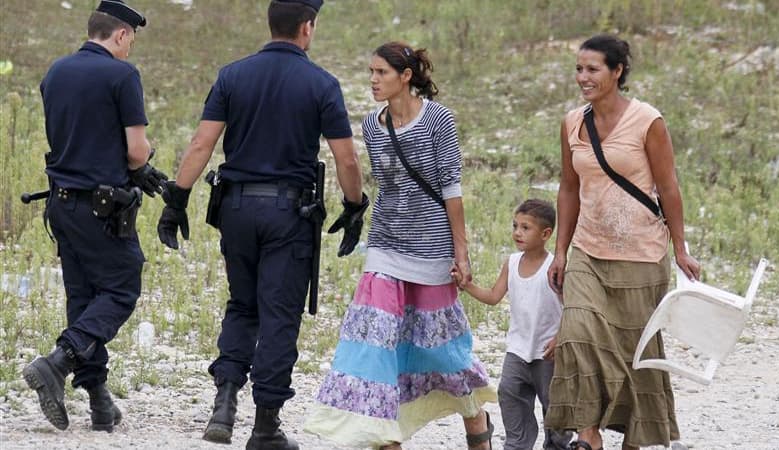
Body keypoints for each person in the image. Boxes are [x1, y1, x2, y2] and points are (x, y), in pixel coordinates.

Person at [155, 0, 366, 448]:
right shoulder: (321, 84)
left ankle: (225, 404)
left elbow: (201, 145)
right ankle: (266, 425)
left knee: (242, 304)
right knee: (279, 316)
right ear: (307, 27)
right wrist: (354, 205)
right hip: (288, 214)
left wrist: (178, 199)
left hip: (235, 209)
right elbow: (345, 156)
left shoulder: (233, 75)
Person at [304, 41, 496, 450]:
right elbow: (387, 188)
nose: (373, 80)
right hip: (386, 244)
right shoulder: (372, 124)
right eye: (371, 72)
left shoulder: (438, 120)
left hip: (432, 248)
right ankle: (384, 436)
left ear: (406, 76)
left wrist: (460, 253)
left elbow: (451, 189)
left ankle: (476, 421)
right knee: (375, 342)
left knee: (441, 348)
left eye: (381, 73)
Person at [544, 34, 701, 450]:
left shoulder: (648, 121)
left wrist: (680, 247)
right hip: (588, 251)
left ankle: (634, 440)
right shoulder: (572, 123)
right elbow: (568, 187)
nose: (583, 77)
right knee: (577, 334)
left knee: (637, 354)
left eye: (592, 69)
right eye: (579, 69)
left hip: (641, 254)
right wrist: (560, 251)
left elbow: (668, 187)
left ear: (617, 72)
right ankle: (588, 436)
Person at [22, 0, 165, 433]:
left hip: (61, 203)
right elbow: (136, 150)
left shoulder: (56, 71)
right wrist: (142, 165)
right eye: (131, 41)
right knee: (121, 286)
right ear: (121, 34)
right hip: (102, 207)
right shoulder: (122, 75)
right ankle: (59, 361)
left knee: (82, 297)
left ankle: (100, 403)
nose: (130, 50)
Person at [455, 199, 572, 450]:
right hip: (517, 351)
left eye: (525, 228)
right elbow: (494, 296)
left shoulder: (555, 267)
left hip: (549, 353)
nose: (517, 232)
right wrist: (467, 286)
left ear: (546, 234)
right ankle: (517, 444)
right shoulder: (512, 262)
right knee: (509, 395)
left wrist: (561, 337)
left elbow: (571, 308)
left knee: (555, 410)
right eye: (515, 226)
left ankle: (558, 445)